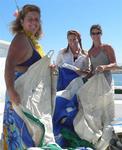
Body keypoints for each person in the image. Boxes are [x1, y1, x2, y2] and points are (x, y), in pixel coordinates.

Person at [2, 4, 60, 150]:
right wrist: (11, 90)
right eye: (30, 19)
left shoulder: (32, 41)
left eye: (37, 19)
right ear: (22, 21)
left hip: (27, 93)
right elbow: (9, 65)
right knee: (20, 133)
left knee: (27, 132)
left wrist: (48, 68)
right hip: (19, 92)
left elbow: (32, 67)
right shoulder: (21, 39)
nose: (34, 22)